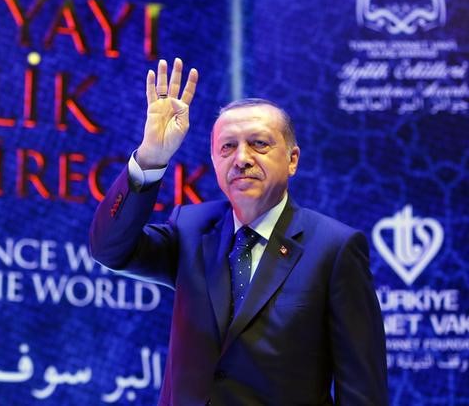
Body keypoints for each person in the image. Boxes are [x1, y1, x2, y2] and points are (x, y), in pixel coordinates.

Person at [89, 59, 388, 405]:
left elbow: (363, 392)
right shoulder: (190, 229)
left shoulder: (334, 248)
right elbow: (109, 250)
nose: (241, 158)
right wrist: (151, 157)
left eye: (259, 144)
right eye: (227, 147)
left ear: (292, 160)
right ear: (214, 161)